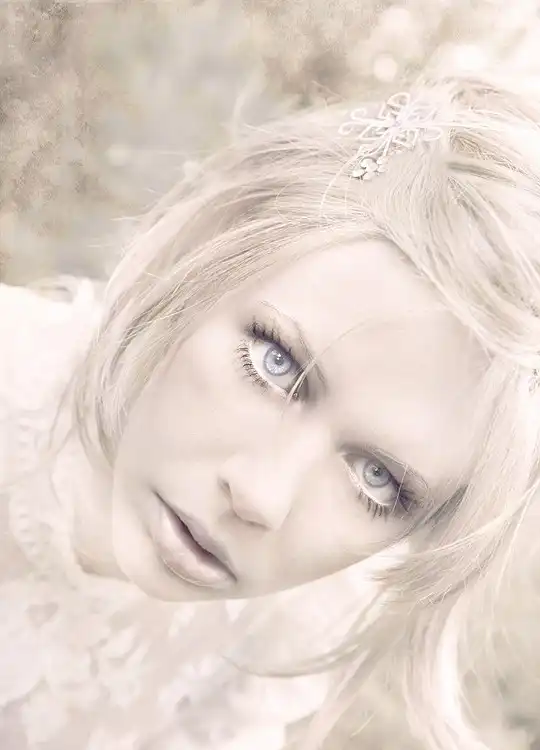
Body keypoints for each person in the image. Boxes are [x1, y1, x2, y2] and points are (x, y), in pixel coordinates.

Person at [1, 71, 540, 750]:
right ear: (209, 243)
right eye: (276, 364)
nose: (261, 497)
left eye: (378, 480)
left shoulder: (290, 622)